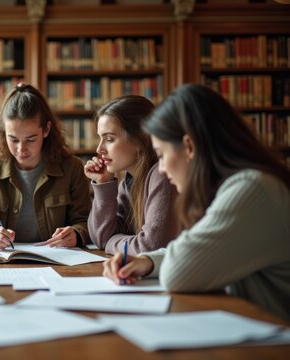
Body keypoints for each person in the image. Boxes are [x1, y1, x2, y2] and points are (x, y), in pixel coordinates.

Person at [103, 84, 290, 320]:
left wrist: (154, 260)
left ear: (189, 147)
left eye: (161, 155)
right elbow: (201, 252)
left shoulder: (251, 188)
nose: (160, 168)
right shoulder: (231, 187)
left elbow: (178, 272)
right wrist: (148, 261)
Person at [0, 83, 91, 250]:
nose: (21, 149)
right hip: (5, 261)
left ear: (46, 130)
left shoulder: (72, 167)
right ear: (3, 132)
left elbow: (86, 221)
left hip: (57, 260)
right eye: (13, 139)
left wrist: (76, 234)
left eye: (30, 139)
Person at [84, 95, 178, 255]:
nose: (99, 149)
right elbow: (100, 238)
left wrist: (111, 242)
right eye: (100, 139)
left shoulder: (162, 175)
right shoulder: (128, 182)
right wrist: (103, 183)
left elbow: (150, 247)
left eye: (109, 139)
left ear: (139, 139)